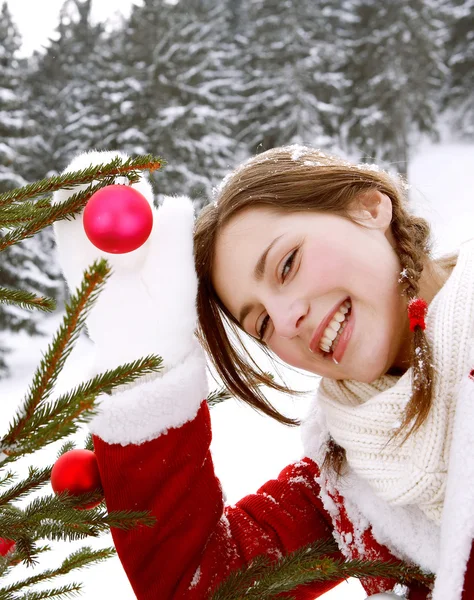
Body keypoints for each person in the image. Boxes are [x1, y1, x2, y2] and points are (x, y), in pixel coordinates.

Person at [52, 146, 474, 600]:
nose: (286, 321)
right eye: (262, 324)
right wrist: (143, 353)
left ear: (369, 207)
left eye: (287, 264)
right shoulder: (353, 475)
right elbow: (210, 586)